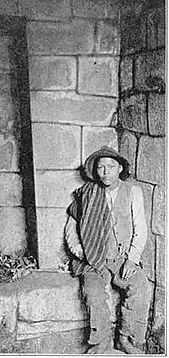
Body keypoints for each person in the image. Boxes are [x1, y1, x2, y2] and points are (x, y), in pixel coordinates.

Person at [64, 146, 151, 354]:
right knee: (93, 294)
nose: (106, 172)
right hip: (93, 258)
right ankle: (101, 344)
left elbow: (140, 228)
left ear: (120, 168)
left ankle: (125, 338)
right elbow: (71, 228)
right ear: (96, 170)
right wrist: (82, 253)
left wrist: (132, 259)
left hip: (120, 257)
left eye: (111, 166)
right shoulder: (86, 193)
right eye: (101, 167)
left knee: (140, 285)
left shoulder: (132, 192)